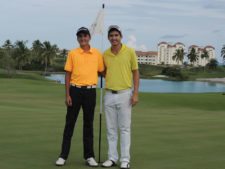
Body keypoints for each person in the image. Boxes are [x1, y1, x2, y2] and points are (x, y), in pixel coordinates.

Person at [55, 27, 104, 167]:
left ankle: (89, 156)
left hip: (90, 92)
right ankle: (63, 156)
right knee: (69, 124)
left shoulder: (97, 54)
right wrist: (67, 94)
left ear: (89, 37)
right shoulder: (73, 53)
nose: (82, 39)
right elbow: (68, 74)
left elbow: (102, 71)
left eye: (85, 36)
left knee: (88, 125)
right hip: (75, 91)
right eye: (80, 37)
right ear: (78, 39)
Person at [102, 25, 139, 169]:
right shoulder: (105, 54)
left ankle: (125, 159)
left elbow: (135, 73)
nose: (114, 38)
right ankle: (112, 158)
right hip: (109, 94)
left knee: (124, 128)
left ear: (121, 36)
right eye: (111, 36)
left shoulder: (129, 51)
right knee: (111, 129)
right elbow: (104, 72)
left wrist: (135, 93)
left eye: (116, 35)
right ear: (108, 38)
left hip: (125, 94)